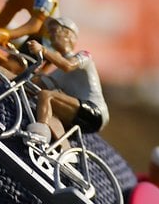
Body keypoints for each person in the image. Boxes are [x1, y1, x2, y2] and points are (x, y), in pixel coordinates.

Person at [24, 16, 108, 144]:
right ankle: (63, 150)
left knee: (47, 96)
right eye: (50, 31)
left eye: (54, 30)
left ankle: (39, 135)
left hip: (94, 112)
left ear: (68, 34)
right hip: (77, 110)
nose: (50, 35)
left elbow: (67, 66)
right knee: (47, 109)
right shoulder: (58, 73)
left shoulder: (84, 56)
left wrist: (43, 50)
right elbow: (36, 85)